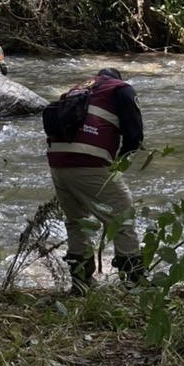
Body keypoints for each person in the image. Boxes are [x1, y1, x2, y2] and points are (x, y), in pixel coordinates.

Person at [45, 67, 144, 294]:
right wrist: (120, 161)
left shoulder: (78, 89)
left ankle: (80, 283)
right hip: (87, 159)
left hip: (57, 161)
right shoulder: (122, 90)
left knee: (76, 220)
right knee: (123, 216)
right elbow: (134, 135)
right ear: (117, 79)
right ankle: (133, 283)